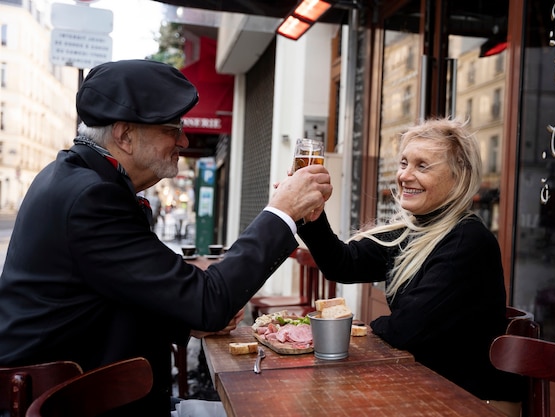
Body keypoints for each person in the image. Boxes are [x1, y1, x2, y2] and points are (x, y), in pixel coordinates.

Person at [0, 60, 331, 417]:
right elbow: (209, 300)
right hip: (75, 404)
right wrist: (283, 211)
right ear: (125, 135)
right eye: (172, 129)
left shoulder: (79, 179)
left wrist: (185, 319)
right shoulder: (91, 197)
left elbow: (113, 291)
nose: (184, 141)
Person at [297, 117, 524, 417]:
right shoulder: (415, 230)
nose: (405, 175)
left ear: (458, 177)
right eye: (404, 163)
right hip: (426, 387)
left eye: (422, 165)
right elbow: (344, 264)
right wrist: (311, 215)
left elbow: (406, 330)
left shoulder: (468, 241)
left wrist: (363, 329)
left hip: (475, 403)